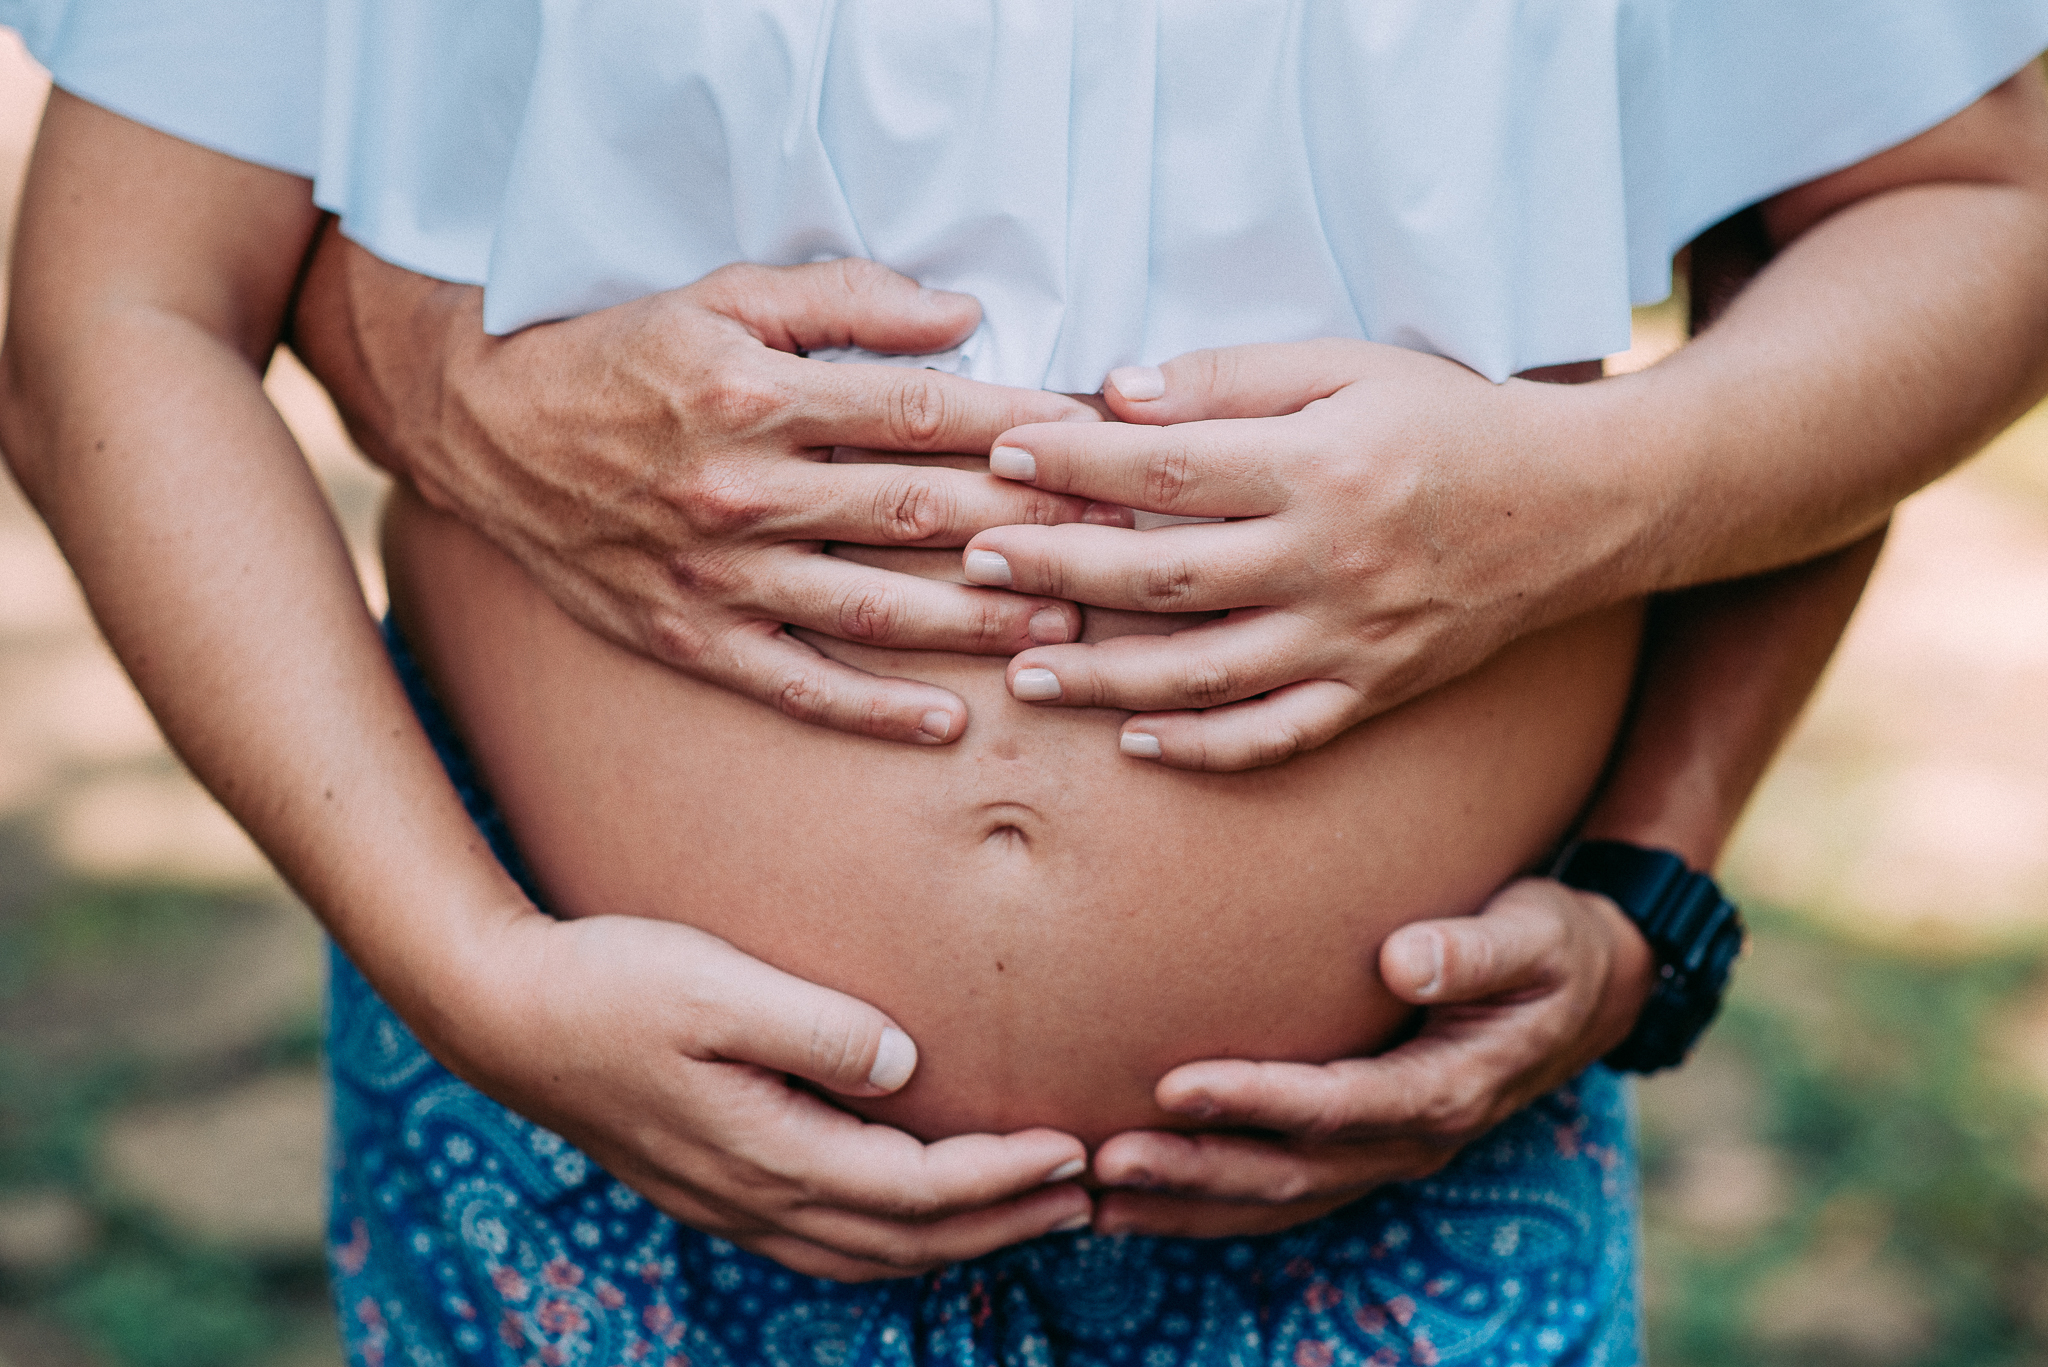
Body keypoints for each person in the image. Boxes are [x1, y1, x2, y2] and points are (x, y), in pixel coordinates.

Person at [2, 6, 2045, 1366]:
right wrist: (468, 974)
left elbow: (1958, 201)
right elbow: (119, 298)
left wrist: (1644, 839)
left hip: (1406, 1172)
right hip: (578, 1150)